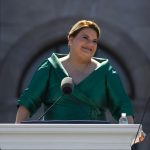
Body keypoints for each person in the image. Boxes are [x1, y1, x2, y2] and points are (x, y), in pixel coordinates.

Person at [15, 20, 134, 124]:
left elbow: (123, 106)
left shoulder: (106, 72)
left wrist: (132, 132)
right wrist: (17, 131)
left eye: (94, 41)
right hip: (55, 141)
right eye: (85, 38)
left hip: (94, 142)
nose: (90, 44)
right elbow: (28, 101)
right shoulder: (50, 68)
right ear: (70, 40)